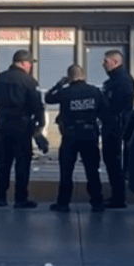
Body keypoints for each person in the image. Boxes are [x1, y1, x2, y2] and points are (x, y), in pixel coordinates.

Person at [0, 49, 45, 209]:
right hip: (22, 126)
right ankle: (20, 198)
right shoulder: (29, 82)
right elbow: (37, 105)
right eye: (30, 63)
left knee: (4, 163)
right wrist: (40, 124)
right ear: (23, 63)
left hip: (3, 125)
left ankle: (0, 197)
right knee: (22, 163)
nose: (31, 67)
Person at [45, 65, 107, 213]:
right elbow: (104, 109)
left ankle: (63, 203)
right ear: (84, 76)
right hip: (90, 134)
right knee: (92, 170)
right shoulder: (95, 91)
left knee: (66, 171)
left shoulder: (65, 92)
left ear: (69, 77)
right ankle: (97, 202)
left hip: (70, 136)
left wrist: (60, 84)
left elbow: (48, 98)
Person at [101, 49, 134, 209]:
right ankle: (116, 195)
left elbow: (119, 105)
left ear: (115, 62)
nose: (103, 65)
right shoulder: (116, 80)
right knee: (111, 160)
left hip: (116, 125)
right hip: (113, 124)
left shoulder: (121, 80)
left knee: (114, 160)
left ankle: (118, 197)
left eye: (106, 62)